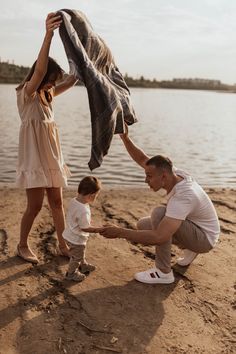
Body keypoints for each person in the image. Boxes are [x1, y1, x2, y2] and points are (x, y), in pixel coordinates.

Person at [87, 126, 220, 284]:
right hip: (197, 229)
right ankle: (189, 248)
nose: (145, 180)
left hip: (205, 239)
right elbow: (143, 159)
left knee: (159, 214)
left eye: (149, 176)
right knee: (143, 224)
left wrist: (119, 232)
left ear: (163, 176)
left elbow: (159, 237)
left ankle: (163, 272)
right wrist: (125, 139)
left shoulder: (184, 196)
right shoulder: (174, 174)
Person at [16, 13, 78, 264]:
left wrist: (81, 56)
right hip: (34, 156)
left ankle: (63, 244)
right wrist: (48, 35)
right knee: (35, 206)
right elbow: (41, 68)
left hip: (52, 156)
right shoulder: (27, 93)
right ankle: (22, 245)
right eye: (50, 79)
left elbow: (73, 79)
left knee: (56, 202)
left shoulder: (47, 95)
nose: (51, 84)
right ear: (40, 77)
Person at [63, 176, 101, 282]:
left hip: (69, 233)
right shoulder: (83, 210)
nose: (96, 197)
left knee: (80, 252)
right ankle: (71, 273)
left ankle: (83, 265)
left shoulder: (74, 200)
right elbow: (84, 228)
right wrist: (97, 230)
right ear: (91, 195)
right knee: (76, 257)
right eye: (96, 195)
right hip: (76, 239)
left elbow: (76, 218)